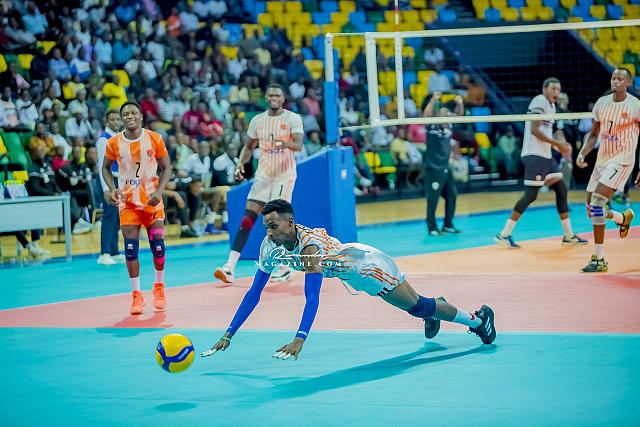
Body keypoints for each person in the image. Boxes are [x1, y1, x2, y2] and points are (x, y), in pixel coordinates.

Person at [202, 199, 496, 361]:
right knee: (418, 306)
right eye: (266, 226)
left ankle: (479, 320)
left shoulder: (310, 248)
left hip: (368, 268)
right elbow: (254, 293)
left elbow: (312, 297)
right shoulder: (270, 245)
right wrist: (229, 333)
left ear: (290, 222)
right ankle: (434, 310)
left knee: (419, 306)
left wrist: (300, 337)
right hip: (349, 272)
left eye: (274, 225)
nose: (269, 232)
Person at [214, 84, 304, 284]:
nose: (273, 98)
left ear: (283, 98)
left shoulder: (292, 118)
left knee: (277, 220)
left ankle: (285, 266)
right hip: (263, 176)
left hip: (284, 176)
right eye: (270, 94)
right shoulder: (258, 120)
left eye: (277, 95)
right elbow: (248, 146)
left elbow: (298, 145)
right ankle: (229, 268)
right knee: (247, 219)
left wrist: (284, 143)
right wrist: (240, 163)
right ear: (266, 97)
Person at [495, 78, 587, 248]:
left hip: (545, 156)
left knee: (561, 189)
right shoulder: (539, 101)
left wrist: (562, 146)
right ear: (544, 89)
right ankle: (504, 234)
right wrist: (558, 145)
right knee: (531, 195)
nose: (556, 92)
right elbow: (535, 130)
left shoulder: (552, 106)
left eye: (558, 89)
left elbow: (553, 132)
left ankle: (568, 235)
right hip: (534, 155)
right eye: (553, 88)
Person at [102, 102, 172, 315]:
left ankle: (159, 286)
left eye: (133, 112)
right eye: (125, 114)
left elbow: (166, 167)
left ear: (141, 116)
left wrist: (159, 192)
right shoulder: (114, 142)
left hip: (152, 201)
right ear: (122, 118)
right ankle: (136, 295)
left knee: (158, 246)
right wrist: (111, 189)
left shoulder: (155, 138)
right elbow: (105, 168)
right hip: (128, 203)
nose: (129, 116)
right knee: (130, 249)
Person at [576, 68, 639, 273]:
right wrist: (583, 152)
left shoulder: (635, 106)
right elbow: (594, 134)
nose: (615, 81)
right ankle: (622, 218)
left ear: (628, 83)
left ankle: (599, 259)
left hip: (622, 161)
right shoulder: (602, 103)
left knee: (597, 202)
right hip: (602, 161)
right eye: (613, 78)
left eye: (620, 79)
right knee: (591, 210)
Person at [423, 92, 463, 236]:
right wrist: (434, 99)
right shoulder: (432, 126)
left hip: (445, 167)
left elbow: (460, 114)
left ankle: (448, 225)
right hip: (433, 168)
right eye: (445, 116)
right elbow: (426, 115)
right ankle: (432, 228)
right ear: (439, 116)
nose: (447, 118)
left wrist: (460, 102)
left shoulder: (449, 126)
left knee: (452, 195)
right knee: (433, 199)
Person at [96, 109, 125, 265]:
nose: (115, 122)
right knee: (109, 216)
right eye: (112, 119)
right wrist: (106, 189)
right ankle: (104, 253)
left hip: (119, 181)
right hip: (108, 181)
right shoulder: (103, 140)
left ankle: (114, 251)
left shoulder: (120, 138)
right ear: (107, 121)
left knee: (117, 217)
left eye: (117, 119)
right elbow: (102, 165)